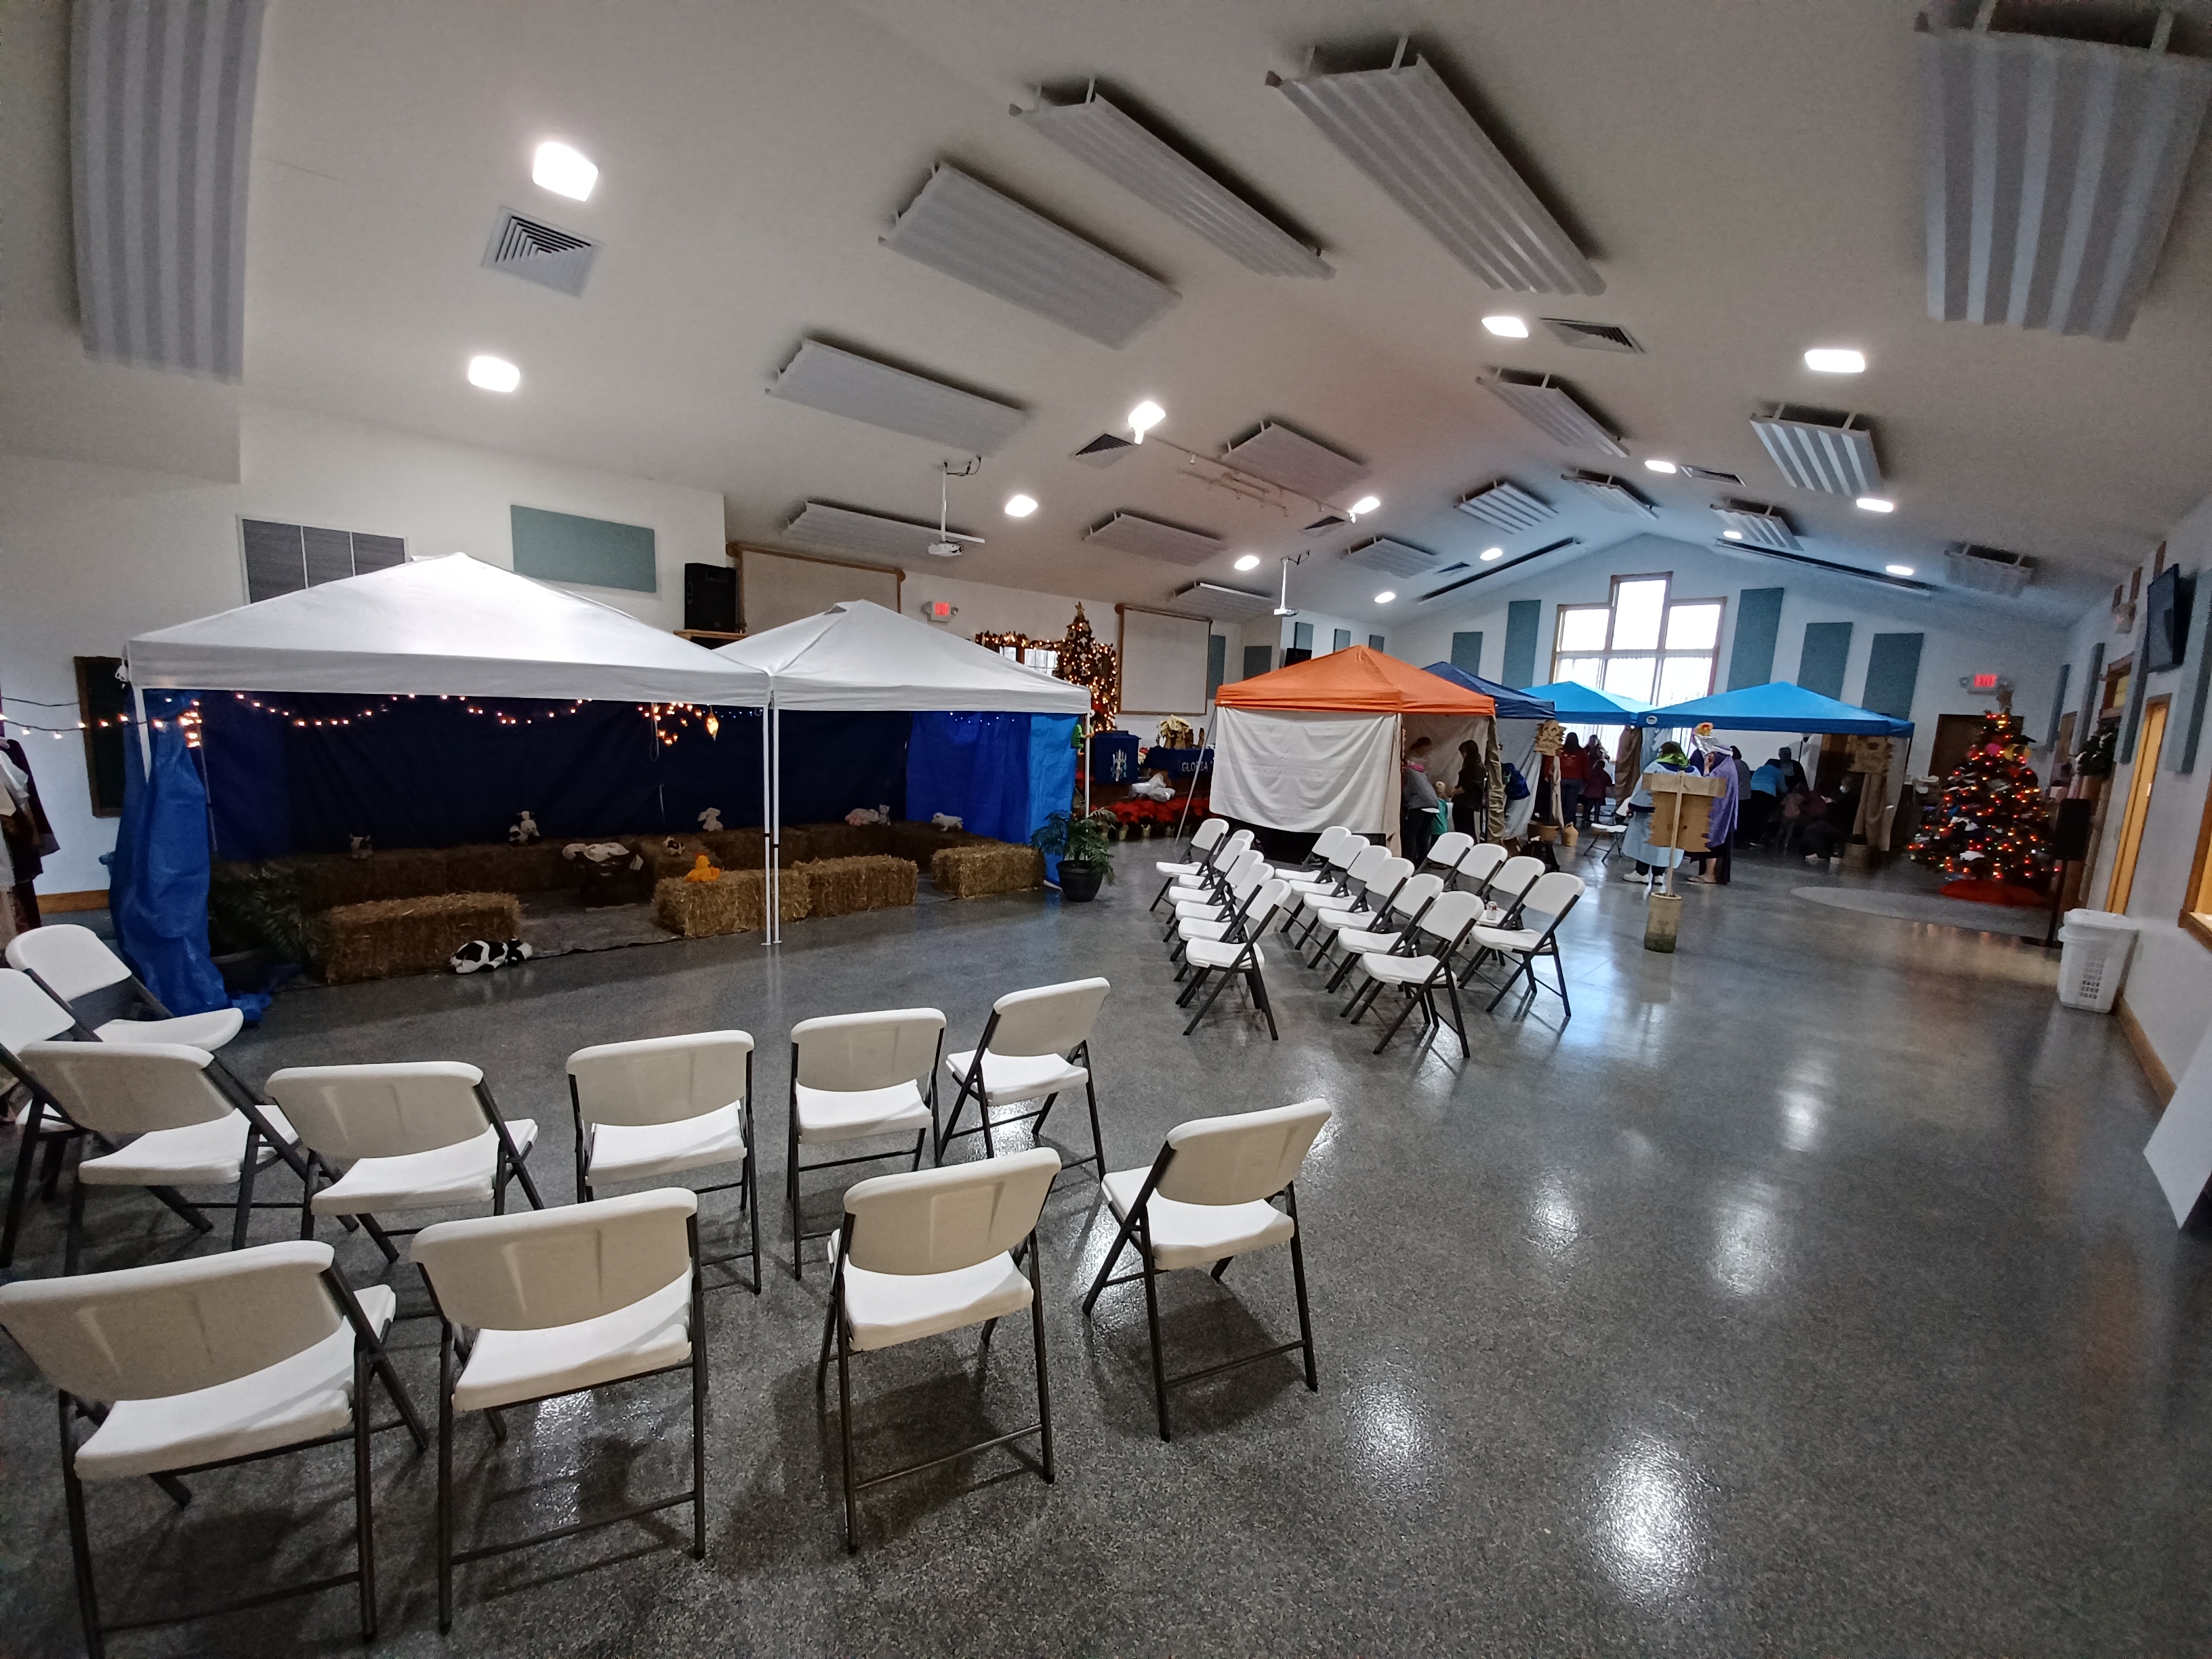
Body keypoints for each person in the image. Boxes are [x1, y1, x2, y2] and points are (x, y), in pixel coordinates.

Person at [1618, 741, 1691, 880]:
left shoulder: (1656, 767)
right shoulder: (1691, 770)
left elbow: (1643, 789)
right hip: (1676, 814)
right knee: (1665, 846)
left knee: (1647, 843)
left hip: (1652, 813)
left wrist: (1632, 806)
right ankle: (1659, 875)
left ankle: (1641, 873)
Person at [1687, 745, 1740, 885]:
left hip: (1717, 812)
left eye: (1713, 755)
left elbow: (1706, 785)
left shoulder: (1722, 770)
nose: (1710, 757)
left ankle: (1709, 874)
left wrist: (1706, 768)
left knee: (1712, 841)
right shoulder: (1729, 768)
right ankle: (1709, 873)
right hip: (1723, 811)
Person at [1401, 735, 1439, 863]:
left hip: (1420, 804)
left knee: (1411, 833)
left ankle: (1408, 861)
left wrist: (1407, 803)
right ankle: (1422, 862)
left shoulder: (1407, 771)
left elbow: (1407, 790)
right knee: (1424, 834)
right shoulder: (1420, 772)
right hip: (1434, 803)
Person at [1744, 754, 1786, 846]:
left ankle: (1746, 838)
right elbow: (1783, 789)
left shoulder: (1760, 768)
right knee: (1762, 817)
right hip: (1767, 794)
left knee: (1750, 814)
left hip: (1752, 791)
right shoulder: (1779, 772)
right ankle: (1755, 839)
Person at [1450, 739, 1486, 839]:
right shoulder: (1475, 766)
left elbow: (1468, 786)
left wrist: (1455, 792)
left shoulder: (1475, 767)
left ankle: (1468, 848)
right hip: (1465, 804)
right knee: (1465, 830)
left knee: (1465, 831)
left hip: (1466, 804)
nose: (1463, 755)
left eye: (1464, 752)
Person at [1557, 734, 1586, 834]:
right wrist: (1586, 779)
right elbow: (1585, 767)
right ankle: (1570, 823)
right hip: (1576, 780)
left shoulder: (1560, 750)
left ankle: (1559, 821)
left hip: (1562, 778)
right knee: (1572, 802)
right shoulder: (1582, 752)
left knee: (1559, 801)